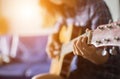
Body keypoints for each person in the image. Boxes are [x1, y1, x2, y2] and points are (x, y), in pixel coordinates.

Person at [32, 0, 112, 79]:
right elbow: (56, 29)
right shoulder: (64, 10)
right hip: (79, 71)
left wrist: (91, 54)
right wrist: (51, 40)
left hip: (101, 72)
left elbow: (104, 56)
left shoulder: (96, 5)